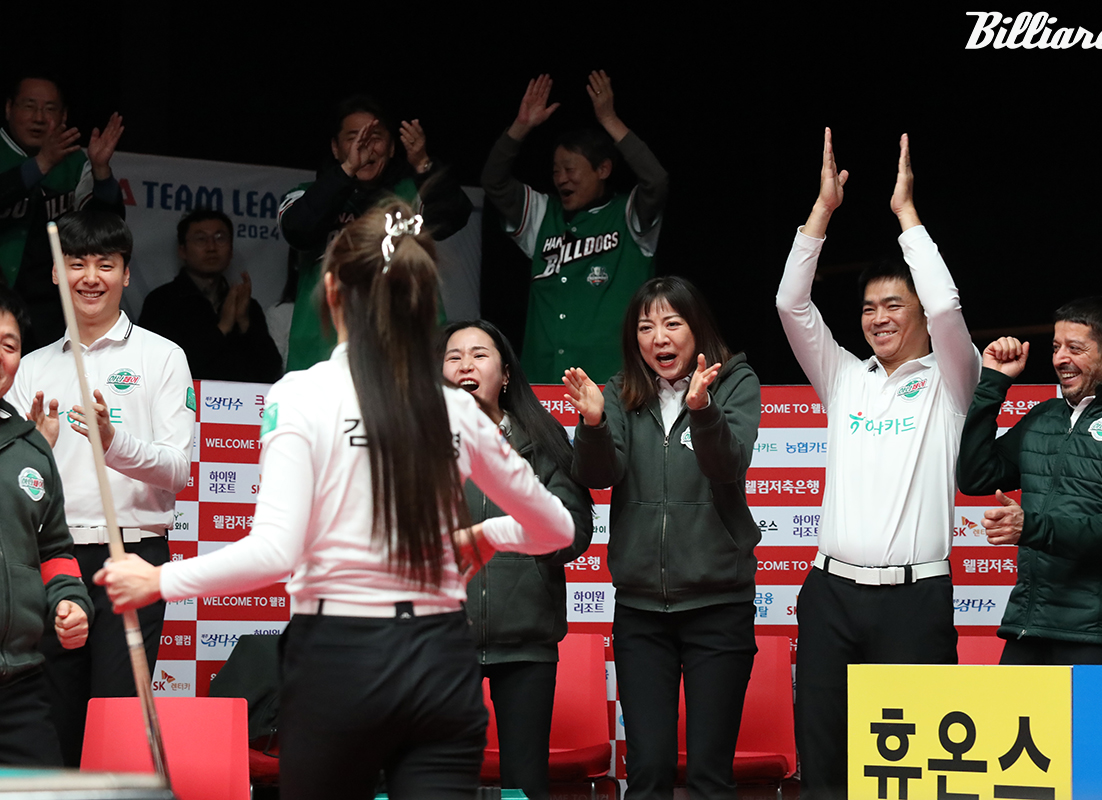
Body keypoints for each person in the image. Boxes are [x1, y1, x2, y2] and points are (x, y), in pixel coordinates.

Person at [96, 200, 575, 800]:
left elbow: (275, 551)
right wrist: (490, 535)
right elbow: (556, 530)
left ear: (330, 288)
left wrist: (158, 581)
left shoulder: (301, 394)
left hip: (341, 658)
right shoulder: (455, 409)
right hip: (440, 660)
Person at [775, 129, 980, 800]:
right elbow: (790, 304)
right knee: (827, 773)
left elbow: (949, 307)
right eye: (868, 308)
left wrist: (906, 215)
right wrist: (822, 213)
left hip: (915, 603)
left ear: (919, 313)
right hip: (831, 597)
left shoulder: (953, 381)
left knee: (916, 781)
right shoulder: (844, 378)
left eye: (894, 305)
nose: (878, 318)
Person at [564, 276, 760, 800]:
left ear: (696, 330)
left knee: (709, 777)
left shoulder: (734, 383)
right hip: (641, 612)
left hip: (720, 606)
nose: (659, 338)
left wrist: (702, 409)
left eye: (672, 323)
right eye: (646, 327)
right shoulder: (619, 391)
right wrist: (594, 423)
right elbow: (601, 475)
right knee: (647, 770)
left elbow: (727, 464)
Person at [10, 209, 194, 767]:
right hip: (51, 561)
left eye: (105, 264)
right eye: (76, 263)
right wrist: (35, 451)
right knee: (55, 724)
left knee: (116, 729)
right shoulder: (30, 367)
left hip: (132, 558)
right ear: (55, 275)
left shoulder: (162, 357)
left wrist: (114, 442)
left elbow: (180, 471)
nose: (91, 277)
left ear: (127, 275)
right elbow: (15, 486)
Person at [957, 297, 1102, 665]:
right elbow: (975, 476)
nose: (1060, 358)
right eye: (1056, 347)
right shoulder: (1044, 416)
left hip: (1099, 634)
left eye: (1075, 348)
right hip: (1027, 626)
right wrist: (993, 384)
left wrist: (1031, 526)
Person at [441, 319, 593, 800]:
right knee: (438, 783)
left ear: (505, 374)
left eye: (479, 354)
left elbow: (573, 531)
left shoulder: (542, 438)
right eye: (454, 356)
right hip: (441, 642)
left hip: (527, 642)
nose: (466, 364)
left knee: (525, 786)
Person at [482, 71, 668, 384]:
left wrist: (609, 119)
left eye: (570, 169)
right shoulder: (543, 214)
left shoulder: (627, 214)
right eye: (556, 171)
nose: (561, 178)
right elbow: (493, 181)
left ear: (603, 169)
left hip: (612, 385)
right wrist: (521, 126)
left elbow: (656, 180)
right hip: (545, 381)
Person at [278, 94, 472, 372]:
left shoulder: (412, 194)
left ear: (392, 148)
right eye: (353, 137)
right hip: (322, 354)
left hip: (405, 355)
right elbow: (298, 230)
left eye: (375, 137)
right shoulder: (304, 194)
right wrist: (346, 171)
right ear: (335, 148)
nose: (364, 146)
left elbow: (454, 216)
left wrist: (422, 163)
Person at [0, 287, 91, 767]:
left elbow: (55, 548)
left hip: (19, 687)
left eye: (9, 345)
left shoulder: (32, 451)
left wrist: (71, 602)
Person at [1, 75, 125, 351]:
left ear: (64, 116)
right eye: (29, 106)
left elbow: (105, 232)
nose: (39, 117)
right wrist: (41, 164)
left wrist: (101, 171)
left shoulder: (76, 162)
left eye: (49, 109)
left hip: (52, 310)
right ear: (9, 108)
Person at [139, 207, 282, 382]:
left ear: (231, 250)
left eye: (220, 238)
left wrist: (244, 322)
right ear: (182, 250)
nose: (211, 247)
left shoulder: (247, 306)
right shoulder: (162, 302)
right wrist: (222, 327)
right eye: (201, 239)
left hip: (239, 406)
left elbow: (271, 371)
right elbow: (158, 369)